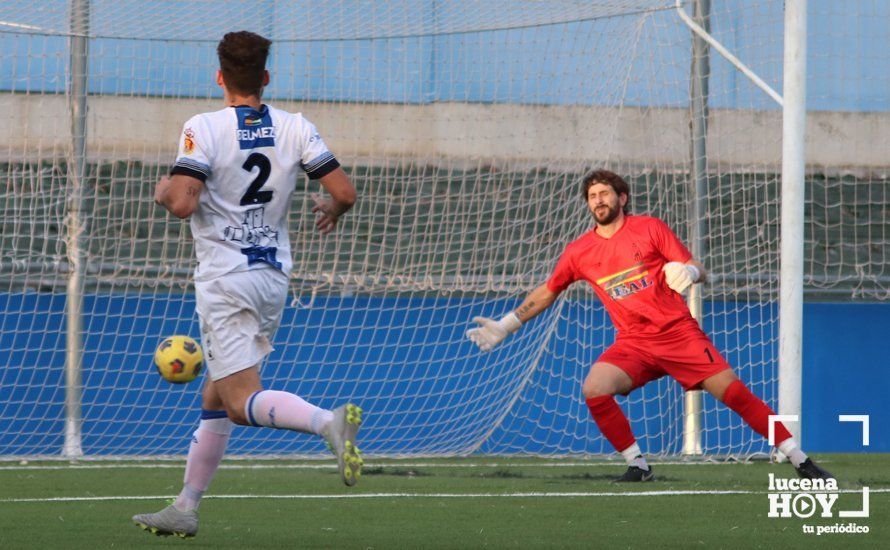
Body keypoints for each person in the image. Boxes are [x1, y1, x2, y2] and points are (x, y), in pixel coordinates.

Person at [133, 31, 362, 538]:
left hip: (225, 279)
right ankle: (185, 507)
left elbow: (184, 203)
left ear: (219, 77)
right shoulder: (295, 127)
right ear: (265, 77)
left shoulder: (204, 127)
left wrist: (162, 191)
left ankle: (328, 422)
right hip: (271, 277)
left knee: (239, 402)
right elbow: (343, 190)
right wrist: (334, 210)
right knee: (216, 393)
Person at [466, 169, 832, 482]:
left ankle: (801, 460)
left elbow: (699, 269)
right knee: (594, 388)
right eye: (592, 196)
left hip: (678, 334)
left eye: (604, 193)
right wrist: (506, 324)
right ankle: (638, 465)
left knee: (734, 394)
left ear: (622, 197)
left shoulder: (650, 229)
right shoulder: (579, 251)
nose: (598, 200)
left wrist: (688, 271)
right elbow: (548, 291)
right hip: (634, 343)